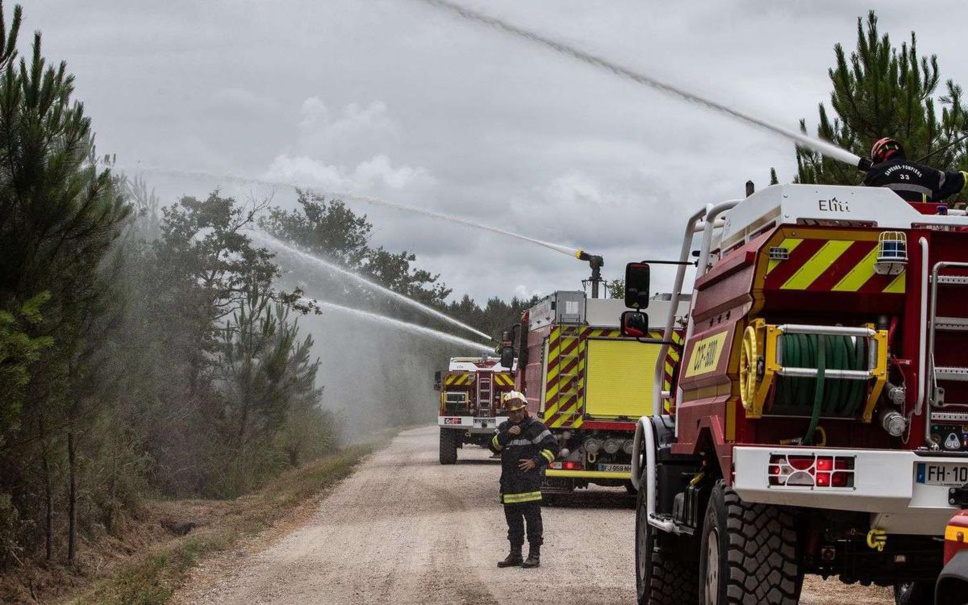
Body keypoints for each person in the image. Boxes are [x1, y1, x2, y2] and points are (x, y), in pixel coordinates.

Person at [489, 391, 559, 569]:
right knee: (513, 523)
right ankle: (515, 554)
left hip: (529, 484)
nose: (516, 415)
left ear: (524, 408)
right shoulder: (504, 428)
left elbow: (552, 448)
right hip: (510, 485)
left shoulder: (535, 427)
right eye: (512, 412)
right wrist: (507, 435)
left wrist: (535, 462)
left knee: (533, 521)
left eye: (519, 411)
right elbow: (492, 446)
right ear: (507, 413)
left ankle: (534, 555)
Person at [863, 137, 968, 206]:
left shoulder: (875, 172)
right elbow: (957, 179)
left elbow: (858, 197)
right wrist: (964, 176)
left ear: (879, 156)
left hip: (886, 230)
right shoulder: (927, 173)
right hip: (921, 230)